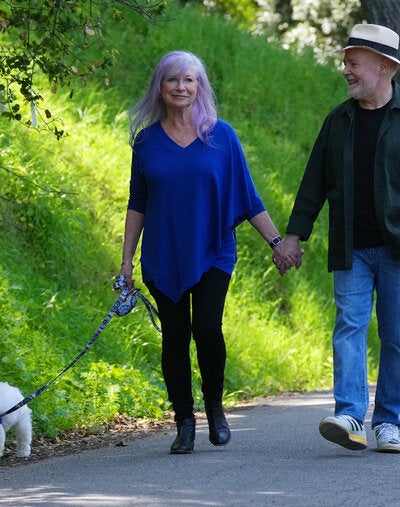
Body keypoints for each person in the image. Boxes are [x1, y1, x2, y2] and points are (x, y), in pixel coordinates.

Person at [272, 24, 400, 453]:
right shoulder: (338, 120)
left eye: (353, 63)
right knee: (349, 326)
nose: (346, 71)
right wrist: (294, 236)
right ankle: (351, 415)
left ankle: (389, 422)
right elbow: (313, 184)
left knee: (395, 334)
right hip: (351, 245)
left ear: (384, 66)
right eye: (346, 63)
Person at [117, 50, 285, 454]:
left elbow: (248, 196)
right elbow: (136, 203)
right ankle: (184, 422)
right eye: (173, 79)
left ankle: (215, 407)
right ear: (160, 86)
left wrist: (277, 243)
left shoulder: (221, 136)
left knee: (207, 328)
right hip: (163, 253)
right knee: (174, 337)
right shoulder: (146, 141)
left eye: (189, 80)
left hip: (213, 250)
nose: (181, 87)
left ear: (200, 87)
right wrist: (126, 261)